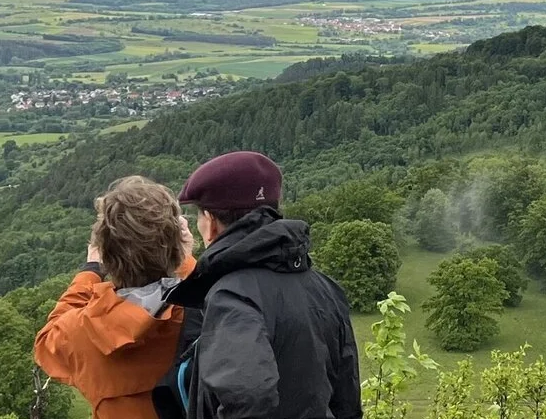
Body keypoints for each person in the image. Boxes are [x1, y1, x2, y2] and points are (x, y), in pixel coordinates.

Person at [154, 151, 361, 419]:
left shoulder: (232, 295)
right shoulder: (325, 288)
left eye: (199, 218)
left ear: (211, 224)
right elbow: (347, 401)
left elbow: (247, 398)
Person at [35, 176, 197, 419]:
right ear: (177, 244)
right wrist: (185, 262)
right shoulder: (208, 313)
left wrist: (90, 271)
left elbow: (46, 342)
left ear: (106, 255)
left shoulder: (83, 333)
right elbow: (201, 295)